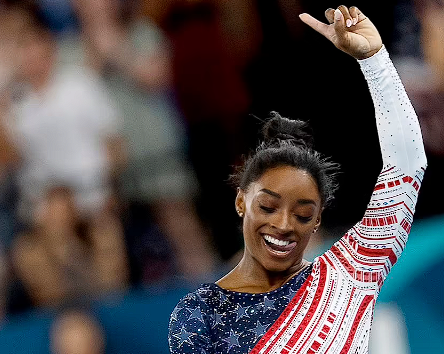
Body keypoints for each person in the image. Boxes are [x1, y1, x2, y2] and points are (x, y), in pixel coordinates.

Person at [168, 5, 427, 353]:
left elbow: (407, 166)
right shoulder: (202, 316)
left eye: (303, 213)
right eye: (269, 206)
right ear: (242, 201)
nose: (284, 225)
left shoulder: (349, 276)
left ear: (318, 220)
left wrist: (375, 61)